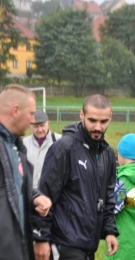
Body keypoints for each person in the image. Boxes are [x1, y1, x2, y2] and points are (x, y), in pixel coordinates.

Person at [33, 93, 119, 260]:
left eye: (103, 122)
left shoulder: (107, 153)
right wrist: (41, 238)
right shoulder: (64, 148)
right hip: (63, 244)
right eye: (92, 120)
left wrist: (109, 231)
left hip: (88, 246)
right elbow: (45, 195)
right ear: (82, 115)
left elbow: (108, 195)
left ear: (110, 118)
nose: (98, 127)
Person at [0, 84, 52, 260]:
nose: (33, 121)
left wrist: (33, 196)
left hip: (16, 249)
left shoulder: (15, 145)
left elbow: (11, 190)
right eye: (31, 114)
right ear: (15, 111)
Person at [23, 110, 62, 188]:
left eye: (42, 125)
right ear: (30, 126)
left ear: (48, 124)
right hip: (31, 193)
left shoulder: (59, 141)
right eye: (36, 126)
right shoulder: (24, 143)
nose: (40, 129)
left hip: (53, 193)